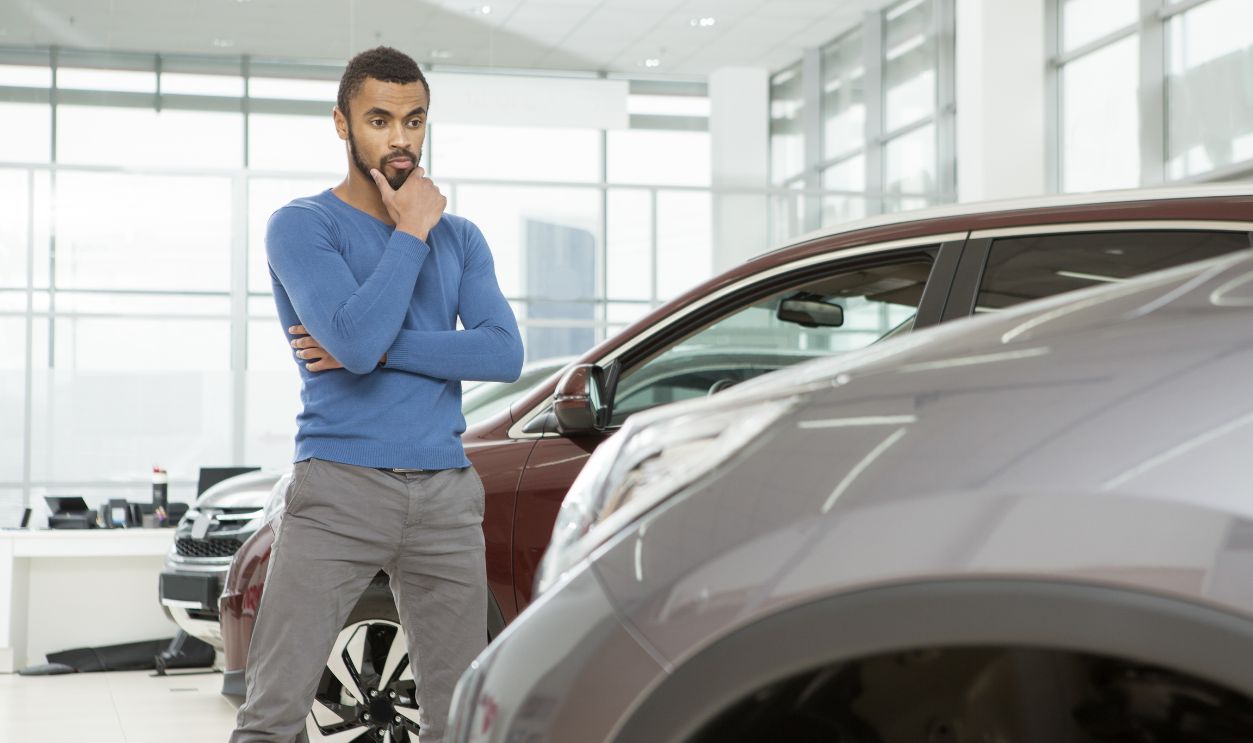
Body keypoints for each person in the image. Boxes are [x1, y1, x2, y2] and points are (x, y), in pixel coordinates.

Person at [230, 46, 523, 743]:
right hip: (339, 489)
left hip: (446, 494)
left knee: (460, 720)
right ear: (342, 124)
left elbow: (501, 352)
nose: (400, 139)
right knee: (272, 712)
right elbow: (353, 345)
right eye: (379, 119)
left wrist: (381, 345)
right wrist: (412, 229)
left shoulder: (463, 237)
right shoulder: (303, 225)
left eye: (414, 120)